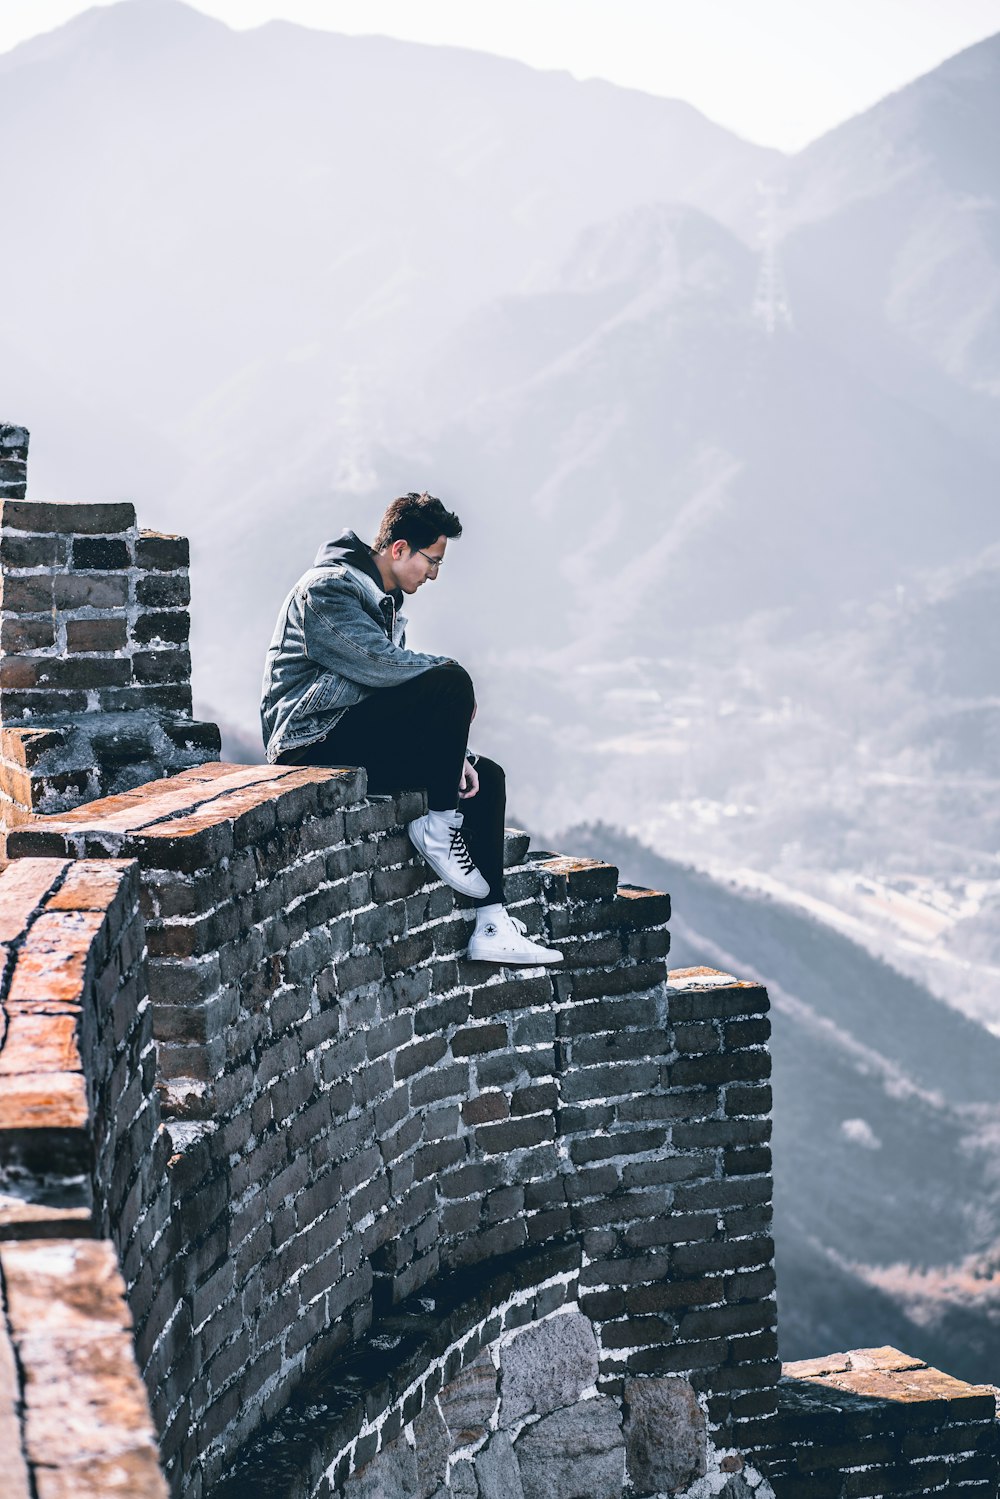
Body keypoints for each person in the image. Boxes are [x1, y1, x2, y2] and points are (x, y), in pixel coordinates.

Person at [260, 491, 561, 966]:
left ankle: (491, 923)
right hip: (310, 740)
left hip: (353, 733)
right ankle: (439, 829)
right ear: (399, 548)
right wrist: (447, 678)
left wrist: (451, 750)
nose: (434, 574)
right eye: (431, 561)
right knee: (450, 679)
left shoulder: (386, 602)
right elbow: (378, 667)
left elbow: (394, 697)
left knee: (486, 777)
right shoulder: (328, 590)